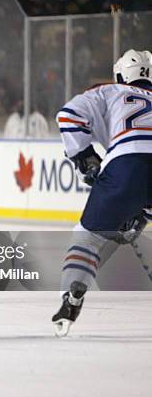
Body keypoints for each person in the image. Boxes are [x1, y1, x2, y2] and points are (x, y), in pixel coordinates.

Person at [52, 49, 152, 336]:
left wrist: (84, 157)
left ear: (121, 74)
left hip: (125, 164)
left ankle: (72, 296)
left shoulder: (108, 91)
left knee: (87, 235)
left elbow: (69, 116)